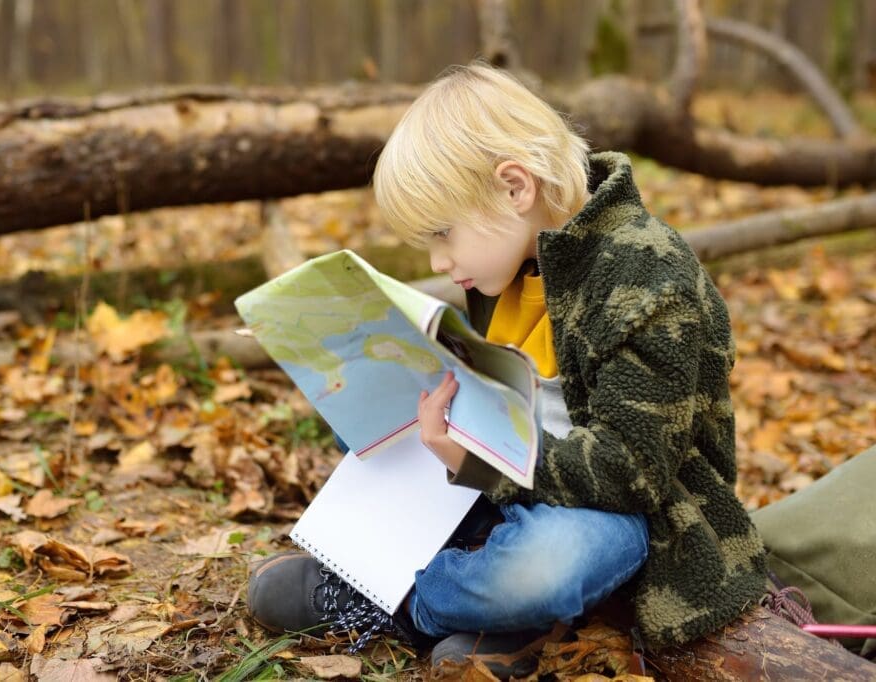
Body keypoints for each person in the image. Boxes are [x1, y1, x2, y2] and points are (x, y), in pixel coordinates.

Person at [247, 62, 767, 678]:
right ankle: (494, 617)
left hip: (625, 516)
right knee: (379, 410)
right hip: (507, 477)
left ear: (515, 187)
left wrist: (477, 465)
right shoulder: (518, 251)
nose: (441, 261)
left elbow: (634, 474)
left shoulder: (645, 277)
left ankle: (396, 599)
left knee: (549, 566)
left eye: (443, 234)